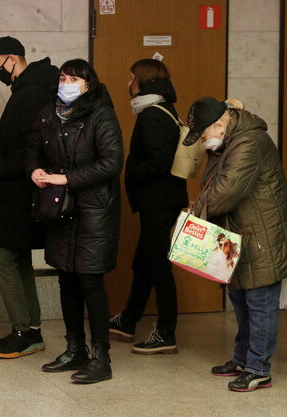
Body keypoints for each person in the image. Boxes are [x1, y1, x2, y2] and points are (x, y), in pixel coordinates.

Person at [185, 97, 287, 392]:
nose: (202, 144)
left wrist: (193, 213)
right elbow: (212, 181)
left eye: (204, 136)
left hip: (262, 234)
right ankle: (242, 358)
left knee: (260, 303)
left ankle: (258, 368)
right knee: (240, 300)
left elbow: (225, 191)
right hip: (237, 234)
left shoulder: (250, 143)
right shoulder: (230, 142)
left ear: (221, 125)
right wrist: (216, 146)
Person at [26, 59, 123, 384]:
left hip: (94, 210)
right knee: (66, 278)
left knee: (90, 281)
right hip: (60, 209)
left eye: (74, 78)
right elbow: (33, 149)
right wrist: (35, 171)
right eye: (63, 77)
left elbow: (112, 162)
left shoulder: (101, 114)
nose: (66, 83)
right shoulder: (47, 113)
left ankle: (101, 358)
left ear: (88, 83)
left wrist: (65, 178)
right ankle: (74, 349)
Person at [0, 36, 58, 359]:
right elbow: (22, 135)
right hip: (18, 190)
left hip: (18, 191)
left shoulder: (32, 91)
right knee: (18, 257)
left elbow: (33, 148)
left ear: (13, 58)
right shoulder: (27, 88)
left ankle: (24, 329)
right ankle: (31, 329)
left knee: (1, 257)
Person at [108, 59, 188, 355]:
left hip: (158, 201)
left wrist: (131, 170)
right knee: (143, 262)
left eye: (131, 78)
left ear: (141, 81)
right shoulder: (164, 109)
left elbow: (158, 162)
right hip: (162, 201)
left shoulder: (152, 115)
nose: (128, 83)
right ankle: (128, 320)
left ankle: (166, 332)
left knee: (157, 266)